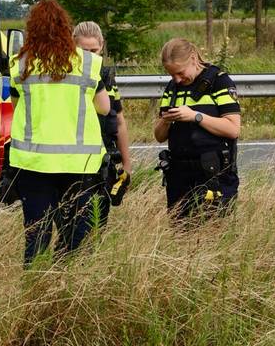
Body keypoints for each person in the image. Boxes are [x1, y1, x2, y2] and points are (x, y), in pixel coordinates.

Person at [8, 0, 110, 264]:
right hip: (78, 163)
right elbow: (104, 109)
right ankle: (67, 280)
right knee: (76, 232)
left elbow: (16, 106)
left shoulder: (19, 64)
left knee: (36, 233)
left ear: (32, 29)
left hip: (33, 163)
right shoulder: (87, 63)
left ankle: (35, 289)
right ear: (67, 28)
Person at [152, 38, 242, 219]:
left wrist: (195, 116)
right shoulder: (173, 88)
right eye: (171, 75)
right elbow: (159, 136)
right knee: (181, 235)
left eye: (180, 72)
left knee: (213, 233)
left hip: (213, 174)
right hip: (179, 176)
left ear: (193, 58)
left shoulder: (219, 82)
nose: (177, 79)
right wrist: (166, 121)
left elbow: (233, 129)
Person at [72, 21, 131, 218]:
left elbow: (119, 122)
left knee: (98, 219)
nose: (89, 56)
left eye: (94, 50)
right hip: (74, 160)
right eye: (84, 51)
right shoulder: (67, 77)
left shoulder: (106, 76)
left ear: (102, 46)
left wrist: (127, 166)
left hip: (103, 158)